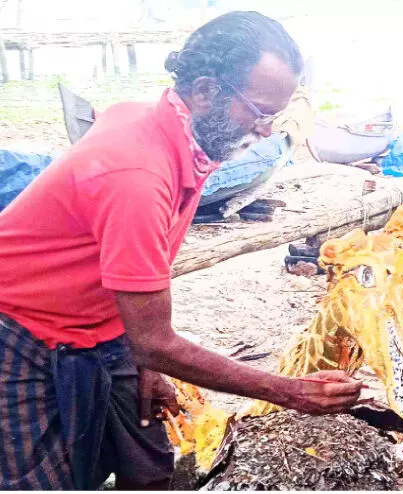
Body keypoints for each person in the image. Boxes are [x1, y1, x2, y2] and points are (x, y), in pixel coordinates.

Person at [0, 11, 360, 490]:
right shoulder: (137, 177)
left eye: (277, 115)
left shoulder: (181, 133)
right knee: (42, 481)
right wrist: (288, 392)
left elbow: (149, 331)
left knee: (147, 462)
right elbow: (153, 338)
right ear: (207, 90)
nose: (269, 130)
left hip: (103, 324)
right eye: (260, 112)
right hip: (18, 326)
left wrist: (149, 363)